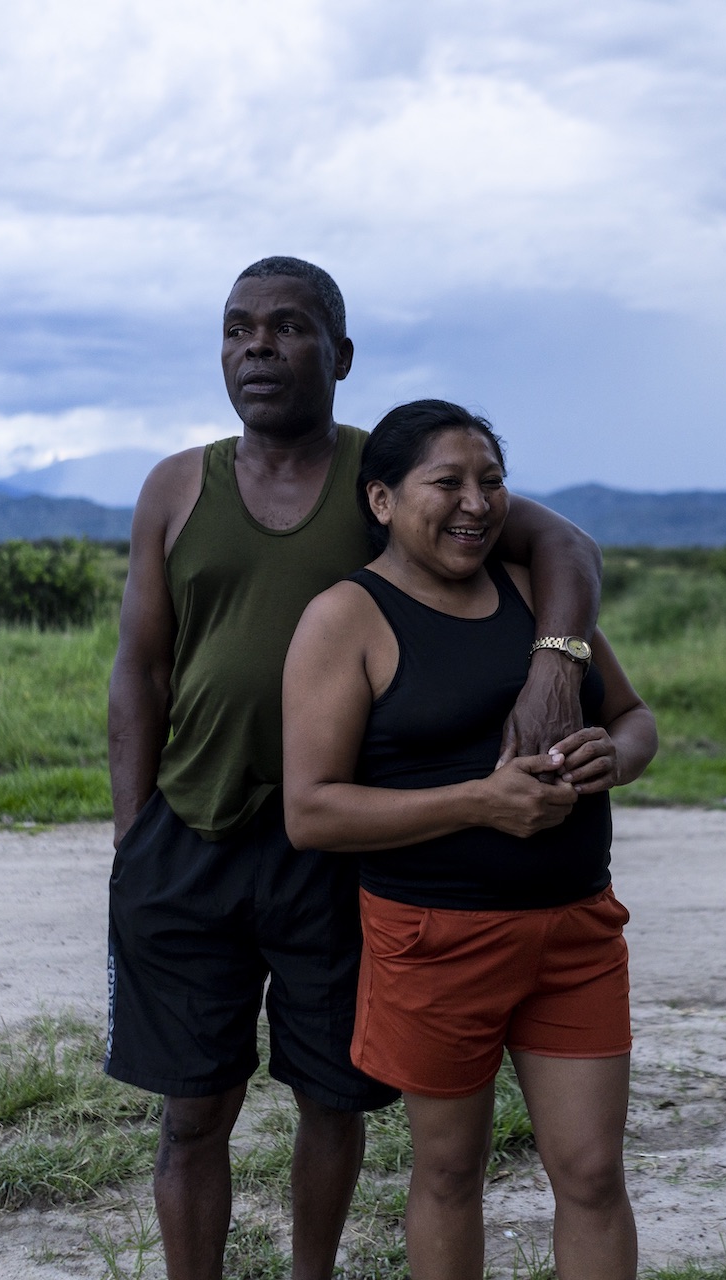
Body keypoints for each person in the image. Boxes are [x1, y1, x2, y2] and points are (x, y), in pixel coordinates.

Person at [106, 259, 605, 1280]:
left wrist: (555, 666)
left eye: (287, 328)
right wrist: (132, 838)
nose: (257, 347)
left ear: (338, 355)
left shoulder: (386, 481)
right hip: (191, 833)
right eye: (238, 328)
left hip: (335, 845)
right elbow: (140, 669)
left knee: (332, 1094)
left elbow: (566, 546)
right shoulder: (175, 485)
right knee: (193, 1107)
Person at [281, 399, 658, 1280]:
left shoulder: (539, 599)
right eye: (445, 482)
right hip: (433, 937)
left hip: (576, 930)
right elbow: (313, 811)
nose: (476, 504)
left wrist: (618, 753)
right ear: (381, 501)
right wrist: (479, 803)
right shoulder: (346, 619)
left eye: (491, 481)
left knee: (594, 1173)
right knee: (450, 1172)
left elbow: (637, 718)